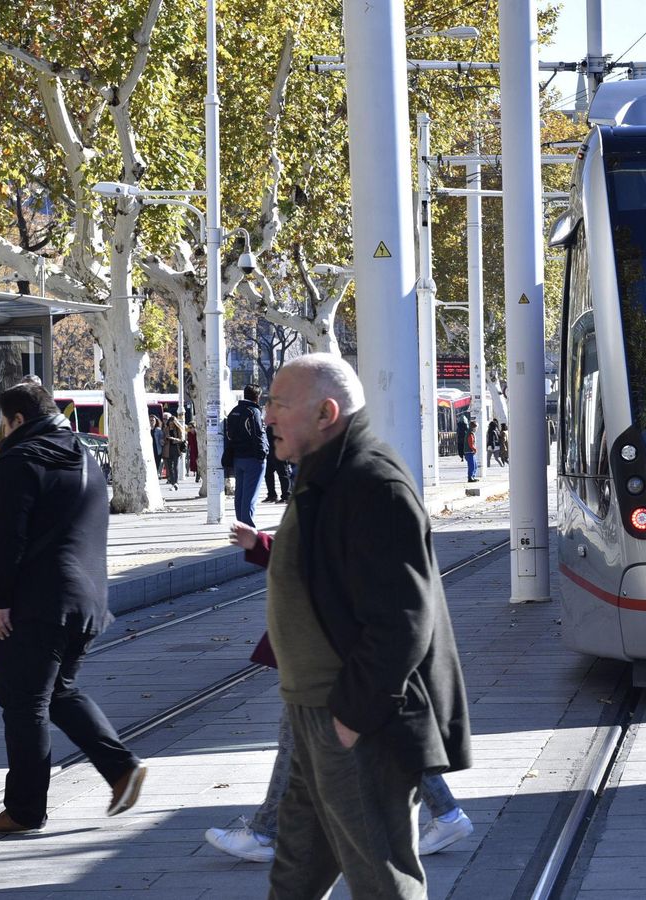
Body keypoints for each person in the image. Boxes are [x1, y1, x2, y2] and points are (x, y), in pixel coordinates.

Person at [260, 354, 471, 898]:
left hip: (351, 717)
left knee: (379, 874)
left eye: (280, 405)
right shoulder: (324, 477)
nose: (267, 417)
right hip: (313, 711)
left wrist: (352, 716)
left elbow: (403, 619)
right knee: (297, 869)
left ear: (326, 412)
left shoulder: (371, 483)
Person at [205, 520, 475, 863]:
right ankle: (447, 814)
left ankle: (263, 833)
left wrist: (261, 545)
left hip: (331, 647)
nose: (277, 460)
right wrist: (258, 544)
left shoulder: (343, 487)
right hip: (339, 644)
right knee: (374, 737)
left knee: (302, 739)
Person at [0, 383, 147, 834]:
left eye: (3, 422)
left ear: (17, 420)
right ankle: (121, 768)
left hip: (34, 603)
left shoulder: (21, 461)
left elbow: (5, 539)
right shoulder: (82, 456)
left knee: (24, 703)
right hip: (86, 601)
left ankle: (25, 810)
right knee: (60, 690)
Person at [221, 384, 268, 526]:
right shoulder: (253, 412)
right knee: (250, 496)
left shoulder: (234, 411)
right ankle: (248, 527)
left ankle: (241, 524)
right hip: (253, 458)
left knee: (240, 495)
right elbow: (258, 435)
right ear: (257, 397)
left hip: (237, 458)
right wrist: (263, 453)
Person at [262, 425, 292, 503]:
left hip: (280, 452)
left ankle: (286, 495)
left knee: (283, 474)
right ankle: (272, 495)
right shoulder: (271, 424)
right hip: (271, 452)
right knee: (268, 474)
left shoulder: (282, 423)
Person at [162, 412, 186, 489]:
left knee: (175, 466)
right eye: (170, 423)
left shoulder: (178, 429)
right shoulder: (166, 429)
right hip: (167, 450)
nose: (171, 425)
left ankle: (176, 482)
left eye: (173, 424)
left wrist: (173, 439)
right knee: (169, 467)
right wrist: (164, 440)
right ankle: (172, 482)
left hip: (176, 449)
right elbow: (163, 439)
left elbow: (182, 439)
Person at [459, 415, 479, 482]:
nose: (476, 429)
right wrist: (474, 449)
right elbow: (470, 443)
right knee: (472, 465)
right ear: (473, 427)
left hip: (471, 452)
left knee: (475, 465)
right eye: (476, 427)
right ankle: (470, 477)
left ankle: (473, 476)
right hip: (469, 452)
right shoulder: (470, 434)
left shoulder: (471, 433)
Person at [186, 411, 201, 483]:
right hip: (192, 450)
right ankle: (197, 475)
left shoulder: (197, 434)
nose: (190, 429)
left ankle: (198, 475)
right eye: (189, 427)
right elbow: (188, 442)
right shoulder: (189, 434)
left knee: (199, 462)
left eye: (191, 427)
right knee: (194, 463)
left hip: (198, 449)